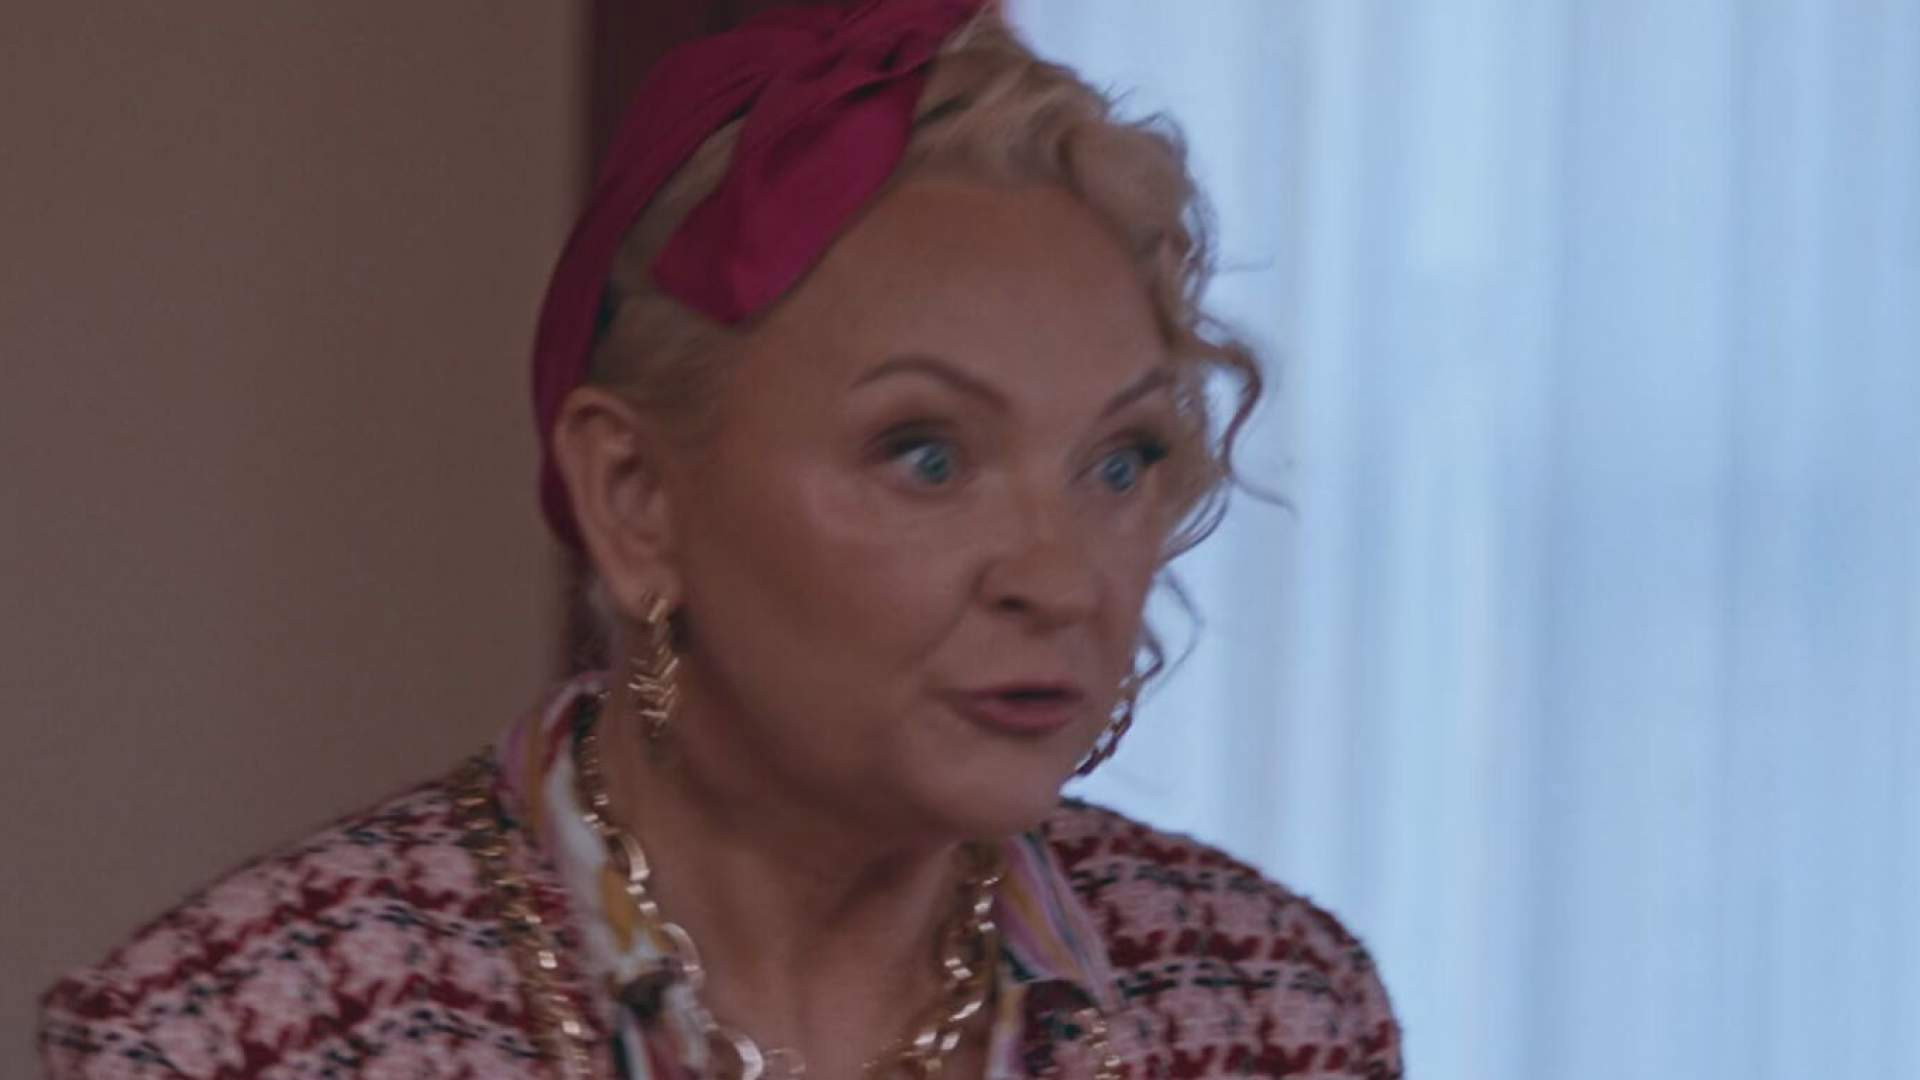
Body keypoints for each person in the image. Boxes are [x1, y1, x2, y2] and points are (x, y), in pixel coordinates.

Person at [40, 2, 1403, 1077]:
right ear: (635, 498)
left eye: (1120, 461)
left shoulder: (1275, 1013)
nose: (1060, 579)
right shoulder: (241, 1036)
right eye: (926, 455)